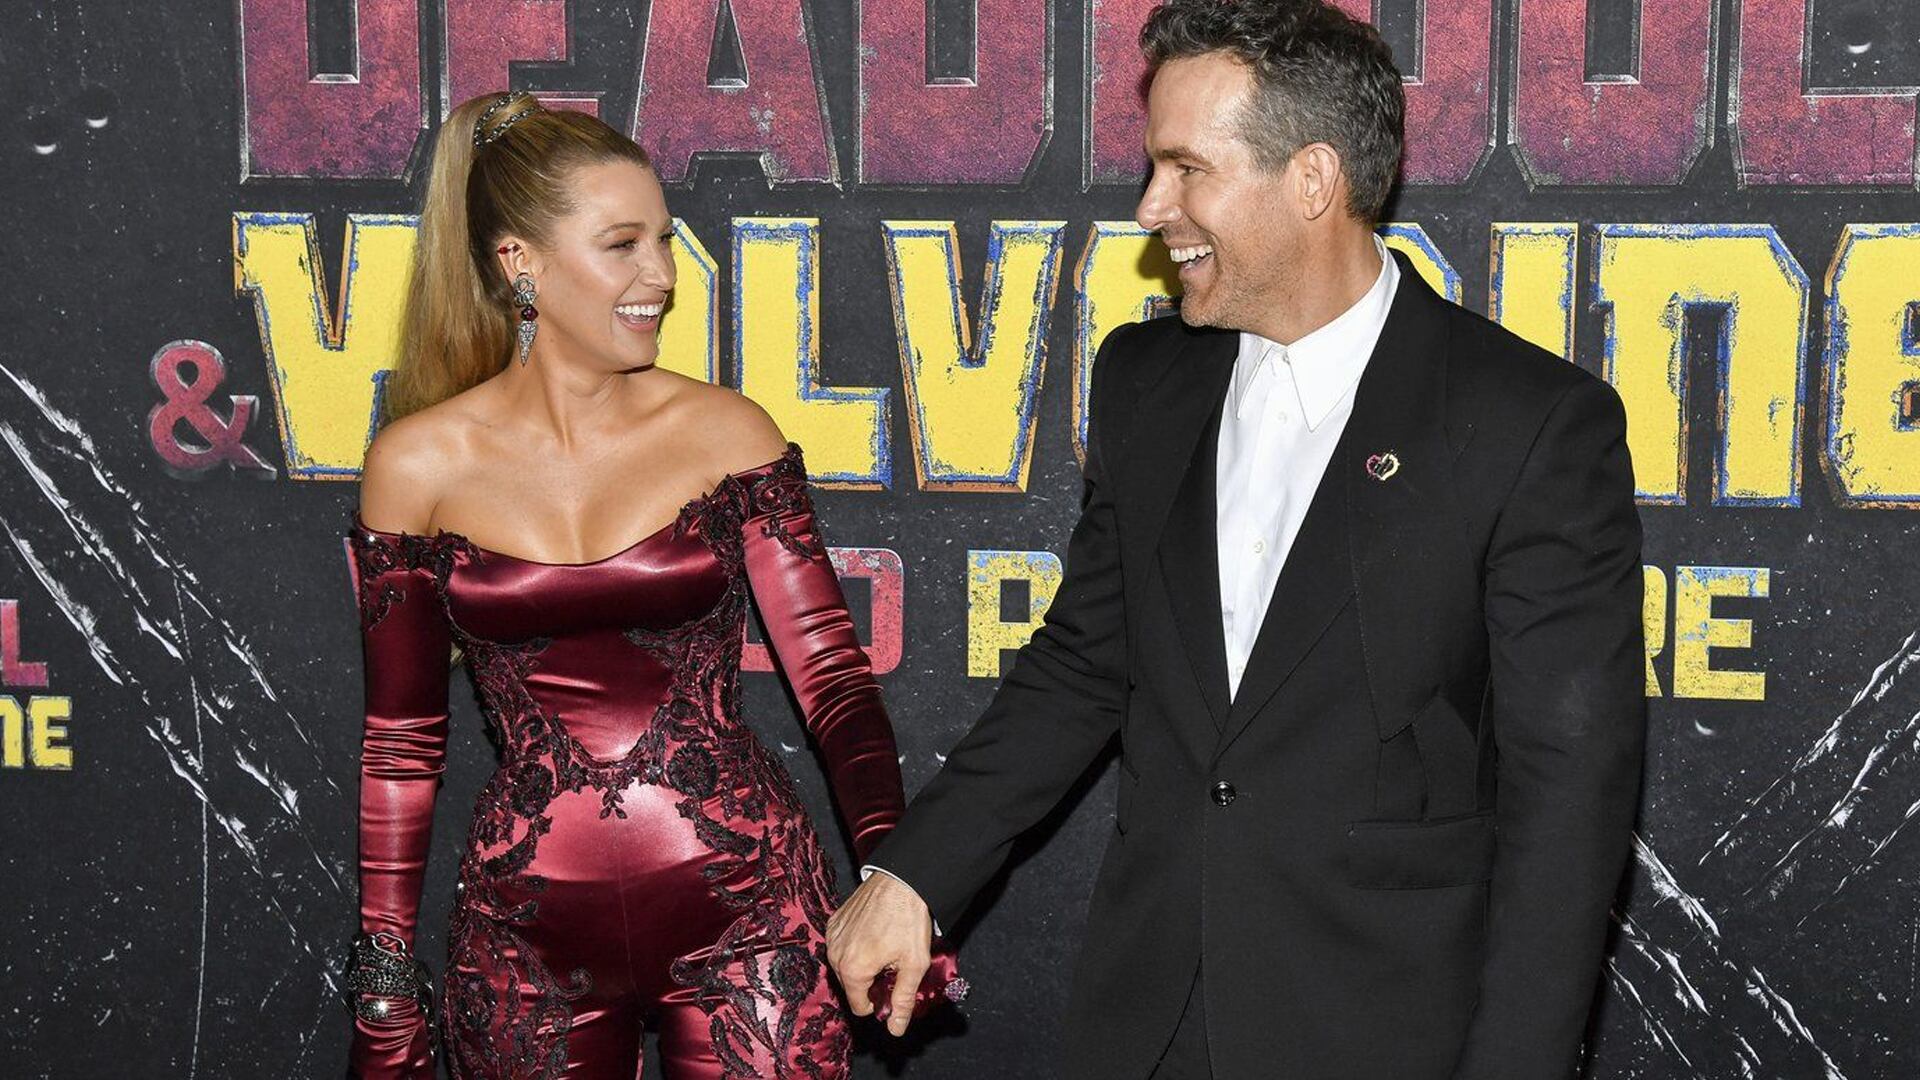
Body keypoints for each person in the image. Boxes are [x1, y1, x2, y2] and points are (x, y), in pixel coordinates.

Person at [826, 1, 1646, 1077]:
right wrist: (915, 874)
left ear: (1312, 180)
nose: (1150, 206)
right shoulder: (1145, 383)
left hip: (1385, 1031)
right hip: (1150, 1017)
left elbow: (1568, 800)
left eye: (1185, 168)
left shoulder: (1525, 424)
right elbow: (1084, 665)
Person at [344, 90, 958, 1079]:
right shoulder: (416, 467)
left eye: (664, 240)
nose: (662, 275)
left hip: (753, 921)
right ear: (520, 262)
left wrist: (897, 882)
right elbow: (402, 745)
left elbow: (835, 685)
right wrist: (384, 985)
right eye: (623, 245)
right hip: (523, 949)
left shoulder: (727, 433)